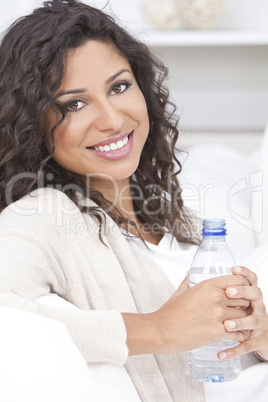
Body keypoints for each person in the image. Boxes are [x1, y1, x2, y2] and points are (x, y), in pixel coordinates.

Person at [0, 1, 267, 401]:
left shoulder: (176, 215)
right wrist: (159, 328)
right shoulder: (41, 217)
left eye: (119, 87)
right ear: (31, 123)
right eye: (74, 103)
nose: (111, 119)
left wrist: (258, 336)